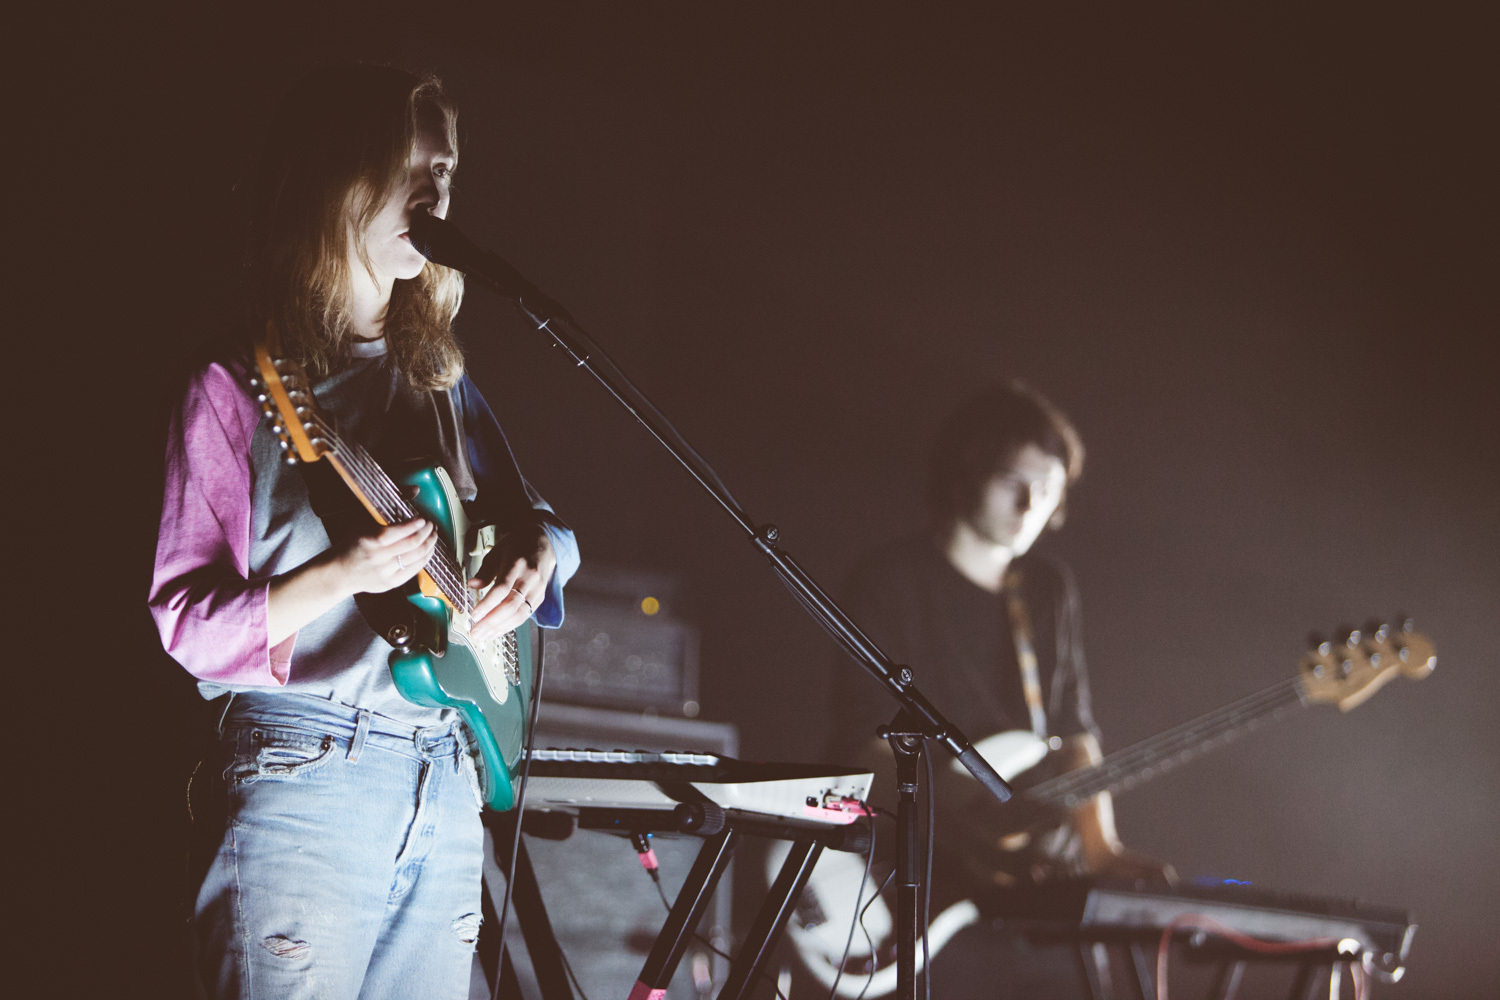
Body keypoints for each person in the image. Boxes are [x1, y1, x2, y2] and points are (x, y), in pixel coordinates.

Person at [148, 66, 579, 1000]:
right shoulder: (238, 385)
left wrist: (541, 553)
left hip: (445, 767)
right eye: (408, 167)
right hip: (306, 771)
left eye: (448, 172)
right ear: (336, 182)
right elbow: (188, 626)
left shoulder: (439, 379)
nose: (436, 193)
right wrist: (342, 571)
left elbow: (539, 527)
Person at [815, 381, 1170, 998]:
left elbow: (1072, 731)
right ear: (964, 476)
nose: (1031, 503)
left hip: (1017, 875)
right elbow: (863, 749)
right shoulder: (889, 582)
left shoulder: (1047, 590)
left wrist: (1102, 847)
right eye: (1012, 480)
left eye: (1051, 487)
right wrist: (972, 831)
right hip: (913, 872)